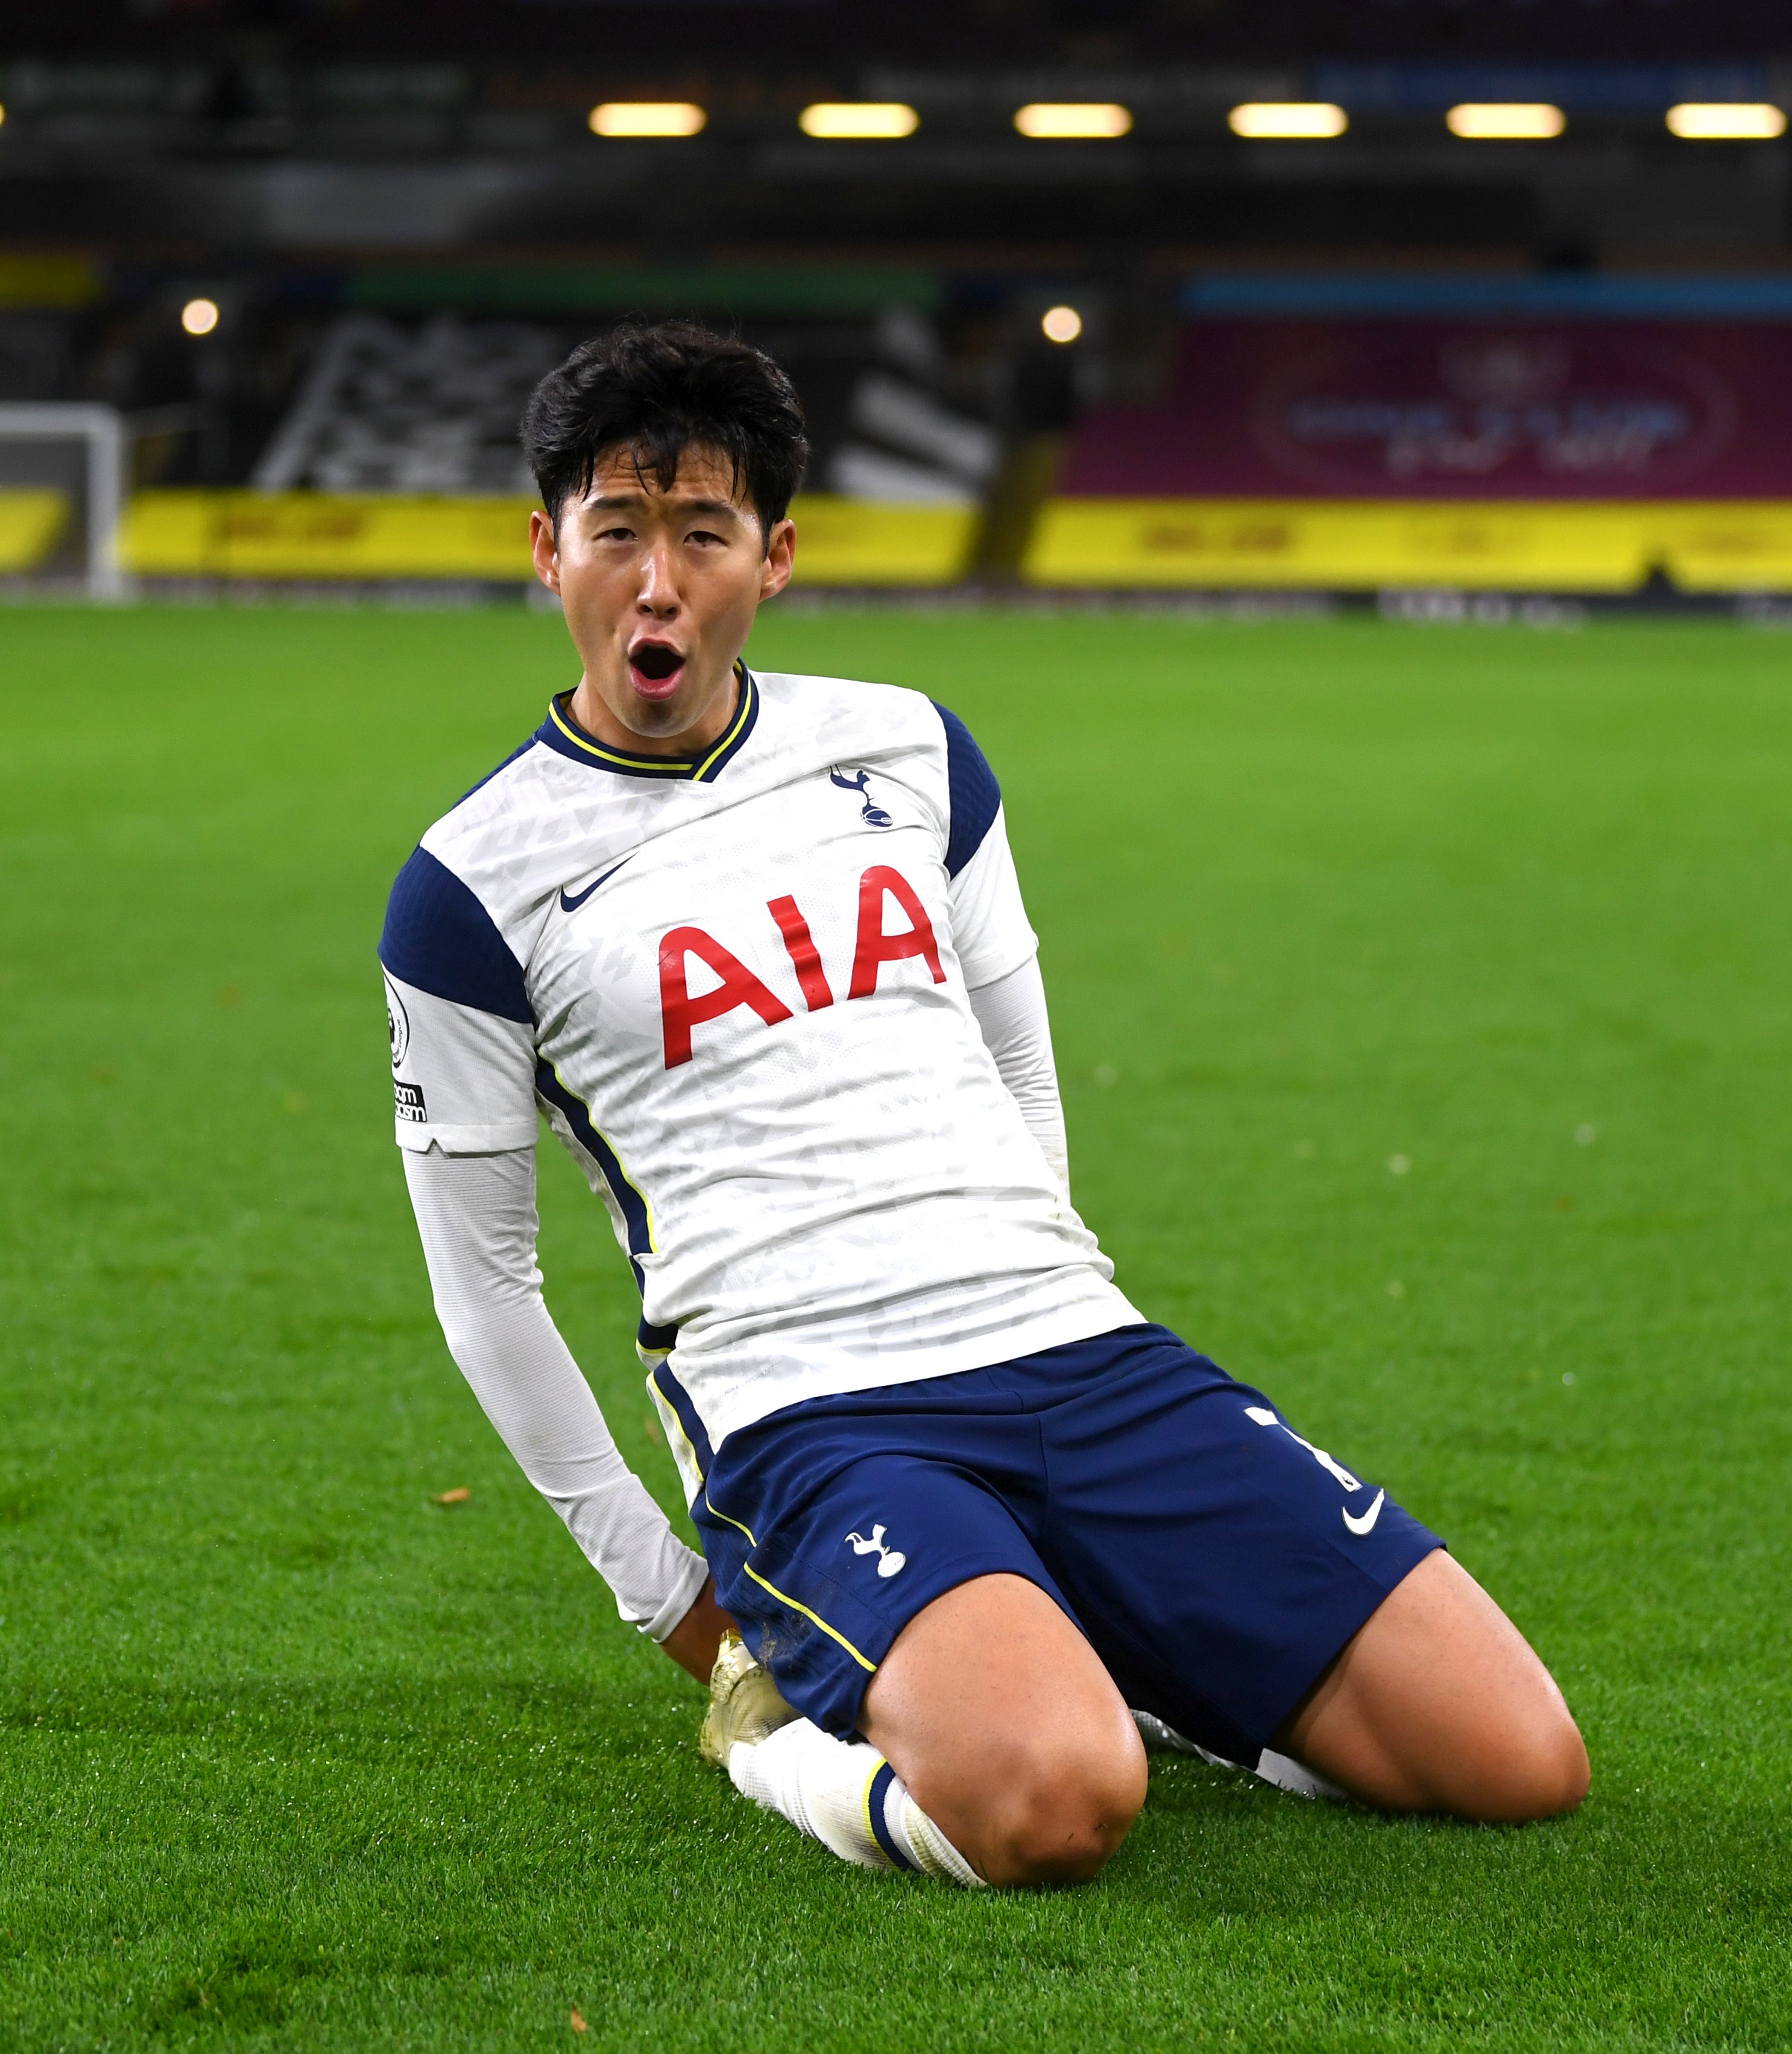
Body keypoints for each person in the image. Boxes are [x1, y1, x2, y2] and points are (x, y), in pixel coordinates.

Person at [380, 323, 1588, 1889]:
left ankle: (1114, 1639)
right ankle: (781, 1743)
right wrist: (671, 1601)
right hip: (818, 1418)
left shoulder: (908, 744)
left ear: (776, 552)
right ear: (548, 550)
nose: (658, 582)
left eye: (704, 532)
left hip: (1079, 1354)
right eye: (618, 532)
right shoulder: (470, 883)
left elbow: (1020, 1065)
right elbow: (486, 1289)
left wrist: (1046, 1291)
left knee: (1516, 1760)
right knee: (1055, 1801)